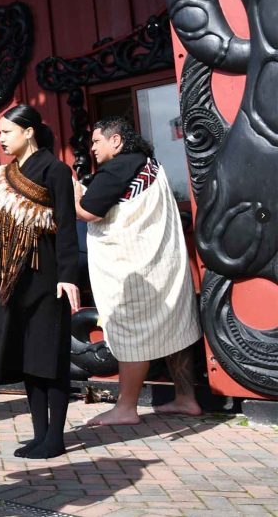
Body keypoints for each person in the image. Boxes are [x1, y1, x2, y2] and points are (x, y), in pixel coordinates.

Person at [0, 104, 80, 460]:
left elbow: (66, 227)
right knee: (29, 358)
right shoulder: (3, 174)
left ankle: (56, 437)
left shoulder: (56, 170)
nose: (0, 138)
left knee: (50, 357)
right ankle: (39, 434)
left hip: (46, 276)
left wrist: (68, 276)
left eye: (6, 132)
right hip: (9, 278)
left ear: (28, 131)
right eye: (0, 132)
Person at [76, 117, 202, 425]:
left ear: (116, 140)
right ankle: (187, 399)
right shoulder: (149, 164)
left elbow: (88, 212)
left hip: (135, 268)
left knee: (133, 332)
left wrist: (72, 192)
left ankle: (126, 407)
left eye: (96, 141)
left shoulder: (118, 167)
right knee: (175, 327)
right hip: (165, 264)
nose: (92, 148)